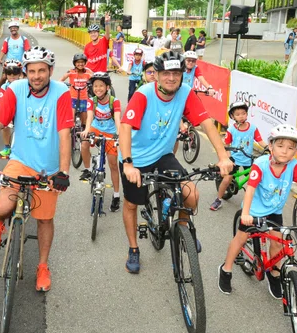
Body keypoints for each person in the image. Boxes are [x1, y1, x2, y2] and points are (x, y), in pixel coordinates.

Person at [118, 51, 233, 273]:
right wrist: (128, 164)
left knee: (191, 195)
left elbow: (207, 123)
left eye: (176, 73)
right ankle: (133, 248)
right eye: (166, 73)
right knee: (132, 204)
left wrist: (223, 156)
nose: (171, 78)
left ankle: (183, 229)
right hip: (137, 157)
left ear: (182, 75)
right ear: (157, 75)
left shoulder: (186, 93)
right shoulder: (143, 94)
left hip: (163, 155)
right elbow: (124, 127)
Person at [0, 47, 72, 292]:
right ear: (25, 72)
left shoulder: (61, 92)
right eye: (32, 71)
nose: (37, 76)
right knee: (4, 206)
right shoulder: (14, 90)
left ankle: (42, 266)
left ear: (51, 71)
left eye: (42, 70)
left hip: (49, 167)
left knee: (44, 219)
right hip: (21, 160)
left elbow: (64, 133)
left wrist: (63, 172)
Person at [217, 125, 297, 297]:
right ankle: (226, 270)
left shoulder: (295, 166)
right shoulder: (260, 164)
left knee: (278, 244)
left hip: (274, 211)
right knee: (241, 238)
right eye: (280, 146)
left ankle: (274, 274)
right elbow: (250, 189)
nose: (285, 151)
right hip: (254, 210)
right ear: (270, 146)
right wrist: (245, 213)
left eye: (291, 148)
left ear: (296, 150)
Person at [79, 72, 122, 212]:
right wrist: (86, 129)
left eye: (101, 86)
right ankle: (88, 169)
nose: (98, 89)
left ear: (107, 87)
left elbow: (117, 119)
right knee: (84, 143)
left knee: (113, 164)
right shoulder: (92, 101)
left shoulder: (114, 101)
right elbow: (90, 117)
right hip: (95, 128)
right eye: (95, 86)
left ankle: (116, 196)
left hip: (110, 131)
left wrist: (120, 133)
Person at [209, 102, 264, 211]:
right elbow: (226, 145)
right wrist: (229, 158)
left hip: (248, 159)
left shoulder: (253, 128)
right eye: (238, 114)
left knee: (255, 181)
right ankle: (218, 199)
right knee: (227, 179)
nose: (241, 116)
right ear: (233, 116)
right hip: (235, 158)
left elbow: (260, 140)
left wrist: (268, 148)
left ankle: (255, 203)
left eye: (243, 113)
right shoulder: (231, 130)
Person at [0, 60, 23, 159]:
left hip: (22, 112)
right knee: (5, 125)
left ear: (20, 73)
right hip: (10, 111)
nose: (12, 75)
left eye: (15, 73)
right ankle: (7, 147)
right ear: (5, 74)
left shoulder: (24, 85)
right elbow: (0, 101)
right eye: (9, 73)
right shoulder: (4, 87)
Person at [61, 53, 92, 128]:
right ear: (74, 63)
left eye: (82, 62)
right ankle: (71, 133)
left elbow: (95, 79)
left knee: (84, 120)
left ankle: (84, 134)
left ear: (85, 63)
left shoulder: (88, 72)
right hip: (72, 97)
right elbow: (61, 80)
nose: (80, 64)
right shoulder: (71, 72)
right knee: (71, 119)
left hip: (84, 98)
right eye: (78, 62)